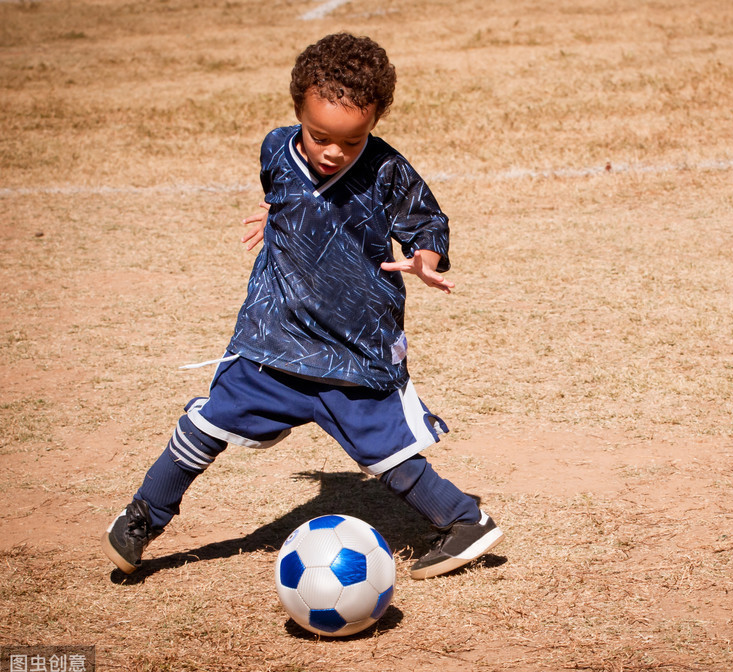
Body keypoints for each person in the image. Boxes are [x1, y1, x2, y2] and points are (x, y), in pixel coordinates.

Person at [101, 32, 503, 580]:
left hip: (351, 350)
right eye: (320, 137)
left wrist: (424, 257)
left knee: (386, 454)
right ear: (298, 113)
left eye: (353, 140)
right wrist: (279, 214)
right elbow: (287, 191)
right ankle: (144, 515)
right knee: (206, 424)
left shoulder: (387, 170)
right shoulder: (274, 147)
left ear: (376, 121)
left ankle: (464, 521)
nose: (334, 151)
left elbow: (427, 221)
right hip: (277, 339)